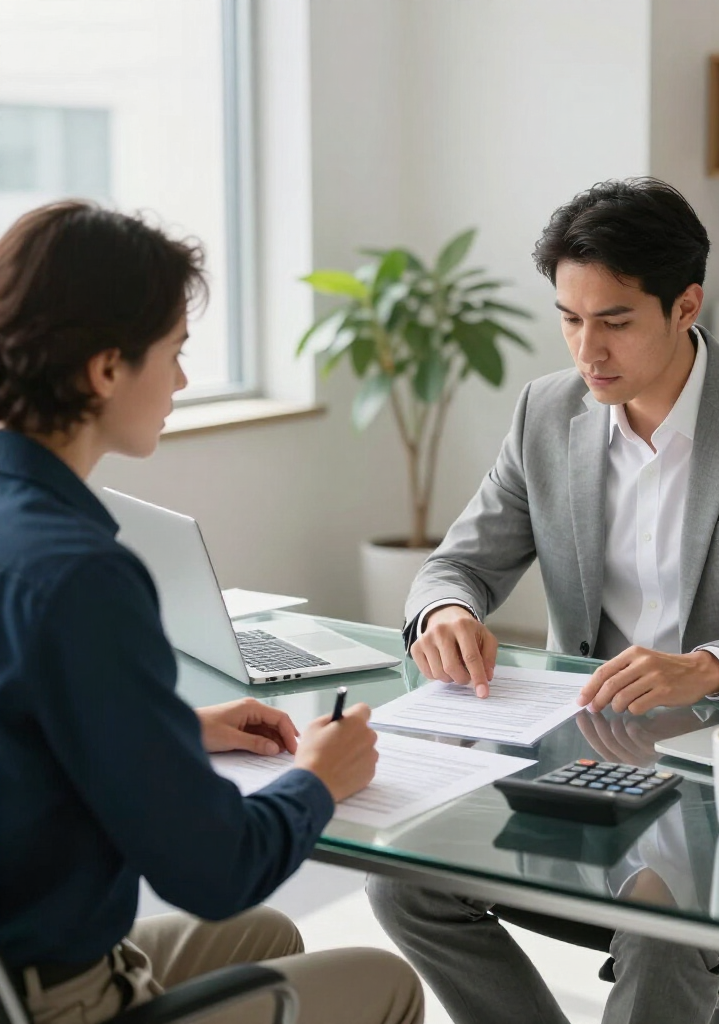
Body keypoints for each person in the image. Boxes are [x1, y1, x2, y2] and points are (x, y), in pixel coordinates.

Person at [367, 177, 719, 1024]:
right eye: (569, 319)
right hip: (579, 755)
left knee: (659, 929)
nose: (587, 351)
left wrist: (708, 668)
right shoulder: (546, 412)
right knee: (399, 882)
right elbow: (457, 563)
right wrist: (446, 613)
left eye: (614, 321)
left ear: (686, 305)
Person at [0, 201, 423, 1024]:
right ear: (106, 369)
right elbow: (213, 870)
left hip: (24, 952)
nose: (184, 382)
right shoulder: (81, 575)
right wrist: (318, 781)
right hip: (57, 998)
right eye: (175, 353)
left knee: (265, 937)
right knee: (385, 981)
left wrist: (175, 728)